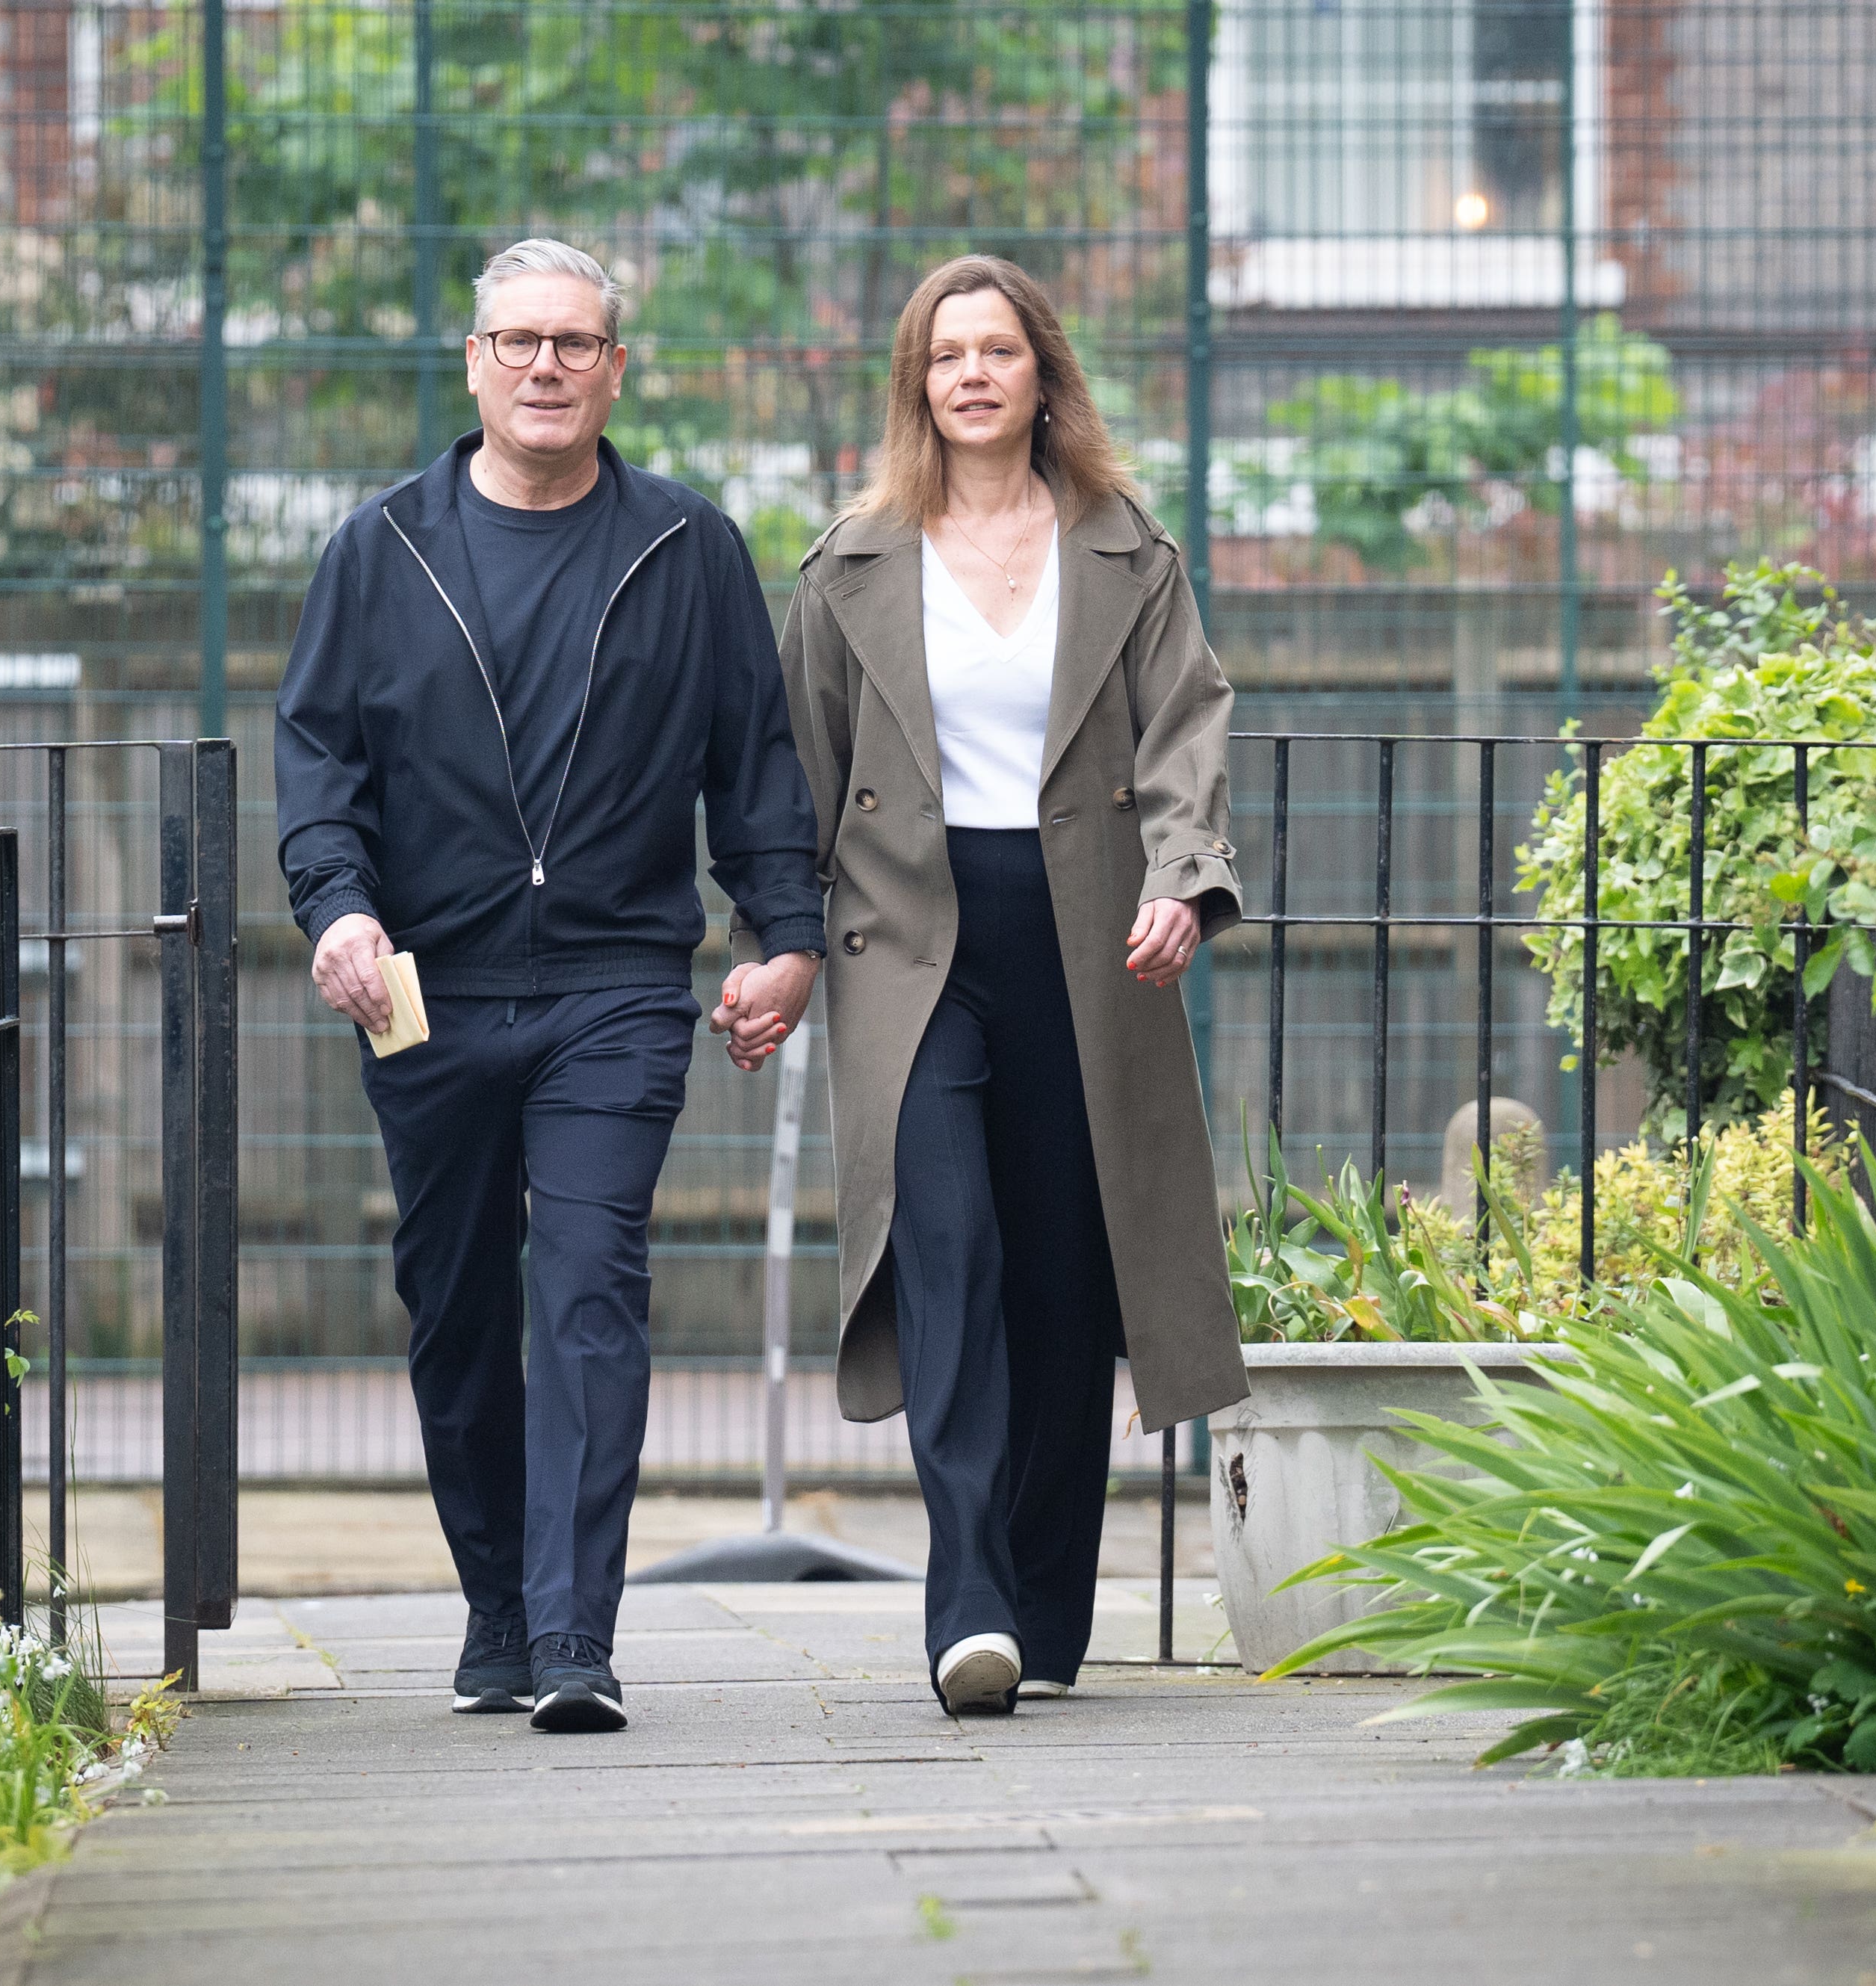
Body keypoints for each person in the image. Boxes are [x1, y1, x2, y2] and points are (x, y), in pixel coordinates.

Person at [276, 238, 826, 1734]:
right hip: (423, 992)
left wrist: (781, 936)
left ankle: (576, 1636)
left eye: (573, 344)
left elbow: (755, 765)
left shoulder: (685, 548)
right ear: (471, 363)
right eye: (516, 340)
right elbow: (318, 766)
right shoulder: (379, 549)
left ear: (613, 371)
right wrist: (334, 912)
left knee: (588, 1290)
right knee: (452, 1307)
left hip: (614, 989)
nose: (543, 367)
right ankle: (497, 1610)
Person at [731, 255, 1250, 1715]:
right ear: (916, 384)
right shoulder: (846, 566)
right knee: (944, 1243)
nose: (969, 374)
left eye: (996, 351)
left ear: (1040, 375)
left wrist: (1179, 876)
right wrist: (772, 944)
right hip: (908, 945)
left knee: (1062, 1273)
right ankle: (965, 1594)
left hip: (1086, 938)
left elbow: (1185, 728)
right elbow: (792, 784)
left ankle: (1043, 1597)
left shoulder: (1123, 551)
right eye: (943, 354)